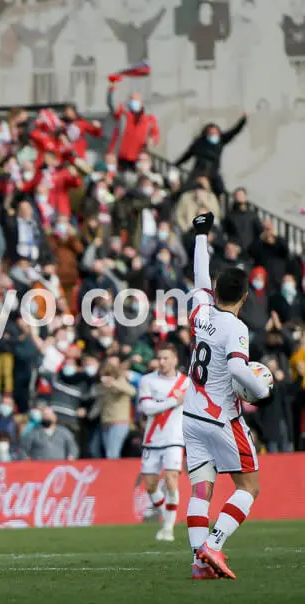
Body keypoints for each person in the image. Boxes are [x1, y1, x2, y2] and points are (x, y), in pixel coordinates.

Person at [184, 213, 272, 580]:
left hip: (191, 414)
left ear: (216, 290)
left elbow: (200, 277)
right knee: (249, 487)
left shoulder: (200, 312)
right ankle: (213, 545)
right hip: (221, 417)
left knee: (201, 490)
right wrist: (261, 392)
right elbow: (237, 368)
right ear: (246, 296)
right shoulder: (236, 327)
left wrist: (201, 234)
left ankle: (198, 565)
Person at [137, 343, 188, 543]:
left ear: (175, 360)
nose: (162, 361)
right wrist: (175, 401)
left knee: (171, 479)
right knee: (150, 486)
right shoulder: (147, 380)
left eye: (166, 358)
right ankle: (167, 519)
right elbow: (147, 408)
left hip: (174, 439)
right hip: (152, 439)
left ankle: (168, 529)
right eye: (159, 358)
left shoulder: (186, 383)